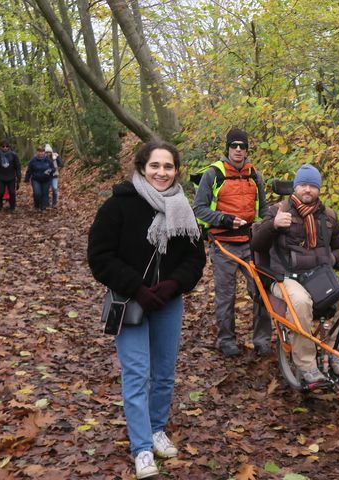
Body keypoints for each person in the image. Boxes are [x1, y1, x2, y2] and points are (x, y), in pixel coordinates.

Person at [88, 140, 206, 479]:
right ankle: (141, 448)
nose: (162, 172)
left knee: (165, 372)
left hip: (168, 303)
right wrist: (137, 288)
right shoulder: (118, 206)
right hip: (130, 302)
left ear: (176, 171)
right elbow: (99, 256)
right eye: (155, 165)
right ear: (142, 167)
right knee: (137, 373)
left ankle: (157, 429)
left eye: (168, 167)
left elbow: (195, 258)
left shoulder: (183, 207)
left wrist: (172, 286)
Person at [251, 164, 339, 385]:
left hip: (320, 275)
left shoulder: (328, 216)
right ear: (295, 187)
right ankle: (307, 364)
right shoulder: (278, 211)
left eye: (312, 185)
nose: (307, 190)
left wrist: (330, 259)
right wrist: (273, 226)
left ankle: (334, 353)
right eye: (302, 185)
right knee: (300, 301)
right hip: (285, 278)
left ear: (318, 189)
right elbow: (257, 245)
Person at [193, 127, 272, 357]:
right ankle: (226, 340)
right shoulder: (213, 174)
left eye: (243, 146)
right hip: (223, 244)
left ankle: (262, 340)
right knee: (226, 296)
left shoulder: (254, 174)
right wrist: (225, 219)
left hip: (251, 243)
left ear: (247, 150)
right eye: (234, 145)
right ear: (227, 148)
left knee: (261, 290)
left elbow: (264, 209)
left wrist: (271, 224)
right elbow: (198, 209)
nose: (238, 150)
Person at [0, 139, 21, 212]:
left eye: (6, 146)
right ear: (0, 147)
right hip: (0, 176)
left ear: (9, 147)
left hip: (11, 176)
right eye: (3, 146)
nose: (5, 148)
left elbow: (17, 166)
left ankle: (12, 207)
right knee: (0, 192)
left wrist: (18, 177)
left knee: (12, 192)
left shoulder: (13, 155)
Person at [24, 146, 54, 212]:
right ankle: (37, 205)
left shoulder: (48, 160)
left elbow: (53, 168)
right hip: (36, 179)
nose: (41, 153)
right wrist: (27, 179)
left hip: (46, 179)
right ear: (37, 152)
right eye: (39, 152)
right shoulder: (33, 160)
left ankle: (43, 207)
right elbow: (29, 170)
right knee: (37, 193)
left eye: (42, 152)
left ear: (44, 152)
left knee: (45, 193)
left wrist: (49, 171)